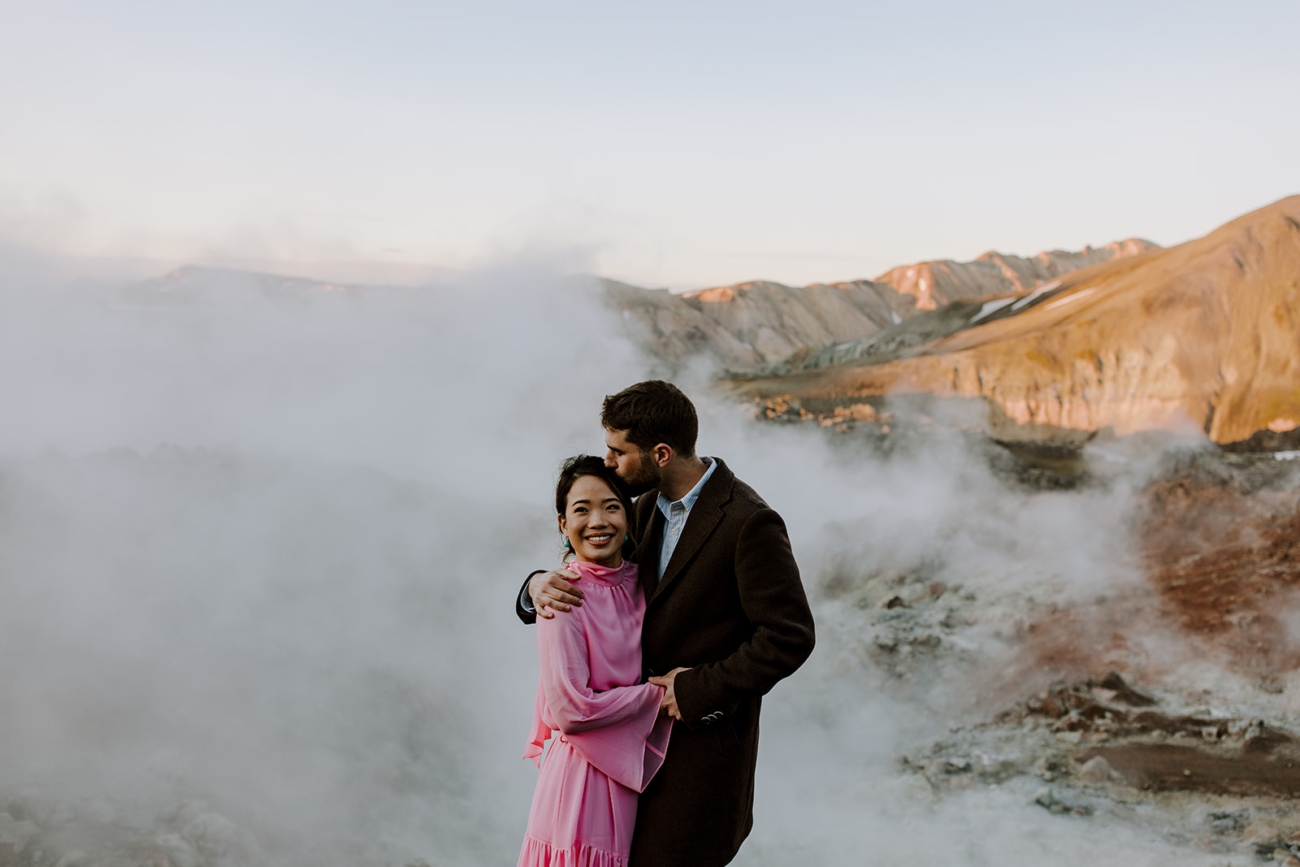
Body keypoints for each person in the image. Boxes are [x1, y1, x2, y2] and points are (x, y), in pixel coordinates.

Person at [517, 381, 816, 867]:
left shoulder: (748, 521)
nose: (608, 463)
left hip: (699, 759)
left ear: (659, 453)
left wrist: (698, 689)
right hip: (627, 753)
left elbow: (790, 636)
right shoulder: (641, 509)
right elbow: (602, 578)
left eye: (618, 452)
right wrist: (533, 584)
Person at [517, 455, 674, 867]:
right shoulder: (561, 595)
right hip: (581, 780)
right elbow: (572, 710)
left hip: (627, 769)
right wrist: (659, 696)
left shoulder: (642, 582)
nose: (598, 521)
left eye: (611, 506)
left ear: (628, 516)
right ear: (562, 524)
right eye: (581, 510)